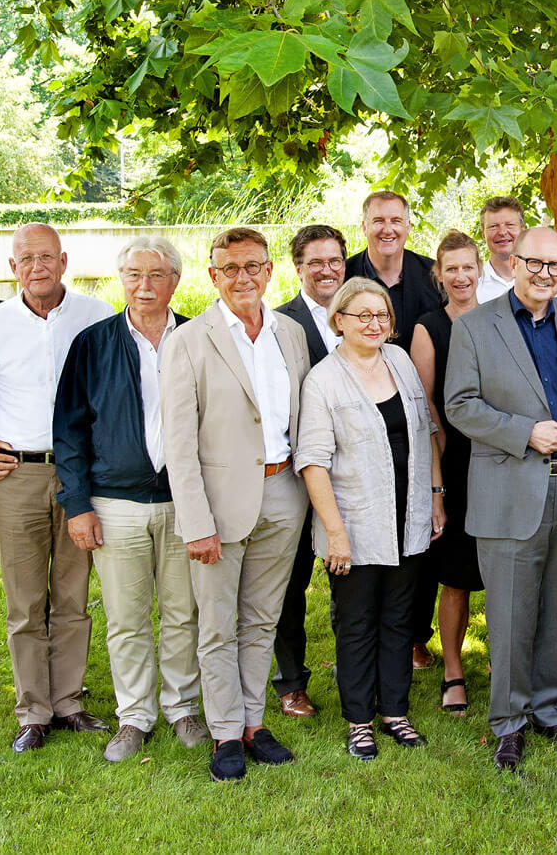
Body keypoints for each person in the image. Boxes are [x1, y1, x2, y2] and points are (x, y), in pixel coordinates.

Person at [445, 227, 557, 770]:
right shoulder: (475, 326)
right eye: (534, 263)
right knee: (511, 614)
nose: (545, 274)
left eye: (554, 265)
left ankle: (550, 711)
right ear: (513, 262)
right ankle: (509, 724)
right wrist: (525, 432)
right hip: (510, 488)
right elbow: (459, 404)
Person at [0, 222, 114, 753]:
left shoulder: (96, 316)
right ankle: (33, 711)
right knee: (25, 601)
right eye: (26, 259)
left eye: (46, 257)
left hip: (79, 475)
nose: (37, 267)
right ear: (12, 266)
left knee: (72, 594)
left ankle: (68, 701)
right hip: (14, 476)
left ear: (63, 262)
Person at [161, 227, 312, 781]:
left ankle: (254, 721)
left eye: (253, 266)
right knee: (217, 624)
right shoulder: (188, 340)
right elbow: (178, 443)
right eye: (231, 269)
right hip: (219, 505)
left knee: (262, 618)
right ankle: (225, 730)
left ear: (271, 271)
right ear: (213, 275)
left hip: (283, 492)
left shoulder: (290, 334)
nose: (243, 277)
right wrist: (195, 521)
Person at [53, 236, 210, 762]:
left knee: (182, 610)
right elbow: (70, 431)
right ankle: (134, 715)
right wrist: (77, 504)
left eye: (156, 275)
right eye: (134, 275)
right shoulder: (93, 344)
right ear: (121, 280)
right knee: (126, 616)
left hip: (184, 502)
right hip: (113, 503)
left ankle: (183, 706)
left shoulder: (198, 338)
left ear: (175, 281)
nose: (145, 286)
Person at [297, 278, 446, 759]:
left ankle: (395, 712)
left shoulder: (400, 362)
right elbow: (313, 462)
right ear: (337, 320)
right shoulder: (323, 380)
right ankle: (360, 719)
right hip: (355, 526)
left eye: (381, 315)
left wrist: (436, 496)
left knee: (400, 619)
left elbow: (424, 432)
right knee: (358, 622)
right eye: (362, 315)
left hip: (409, 517)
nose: (374, 324)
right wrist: (335, 533)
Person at [345, 190, 445, 668]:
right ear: (364, 225)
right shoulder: (345, 275)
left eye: (396, 220)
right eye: (378, 220)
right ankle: (359, 626)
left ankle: (414, 633)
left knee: (421, 529)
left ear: (409, 225)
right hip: (359, 416)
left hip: (420, 413)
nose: (388, 228)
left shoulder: (431, 276)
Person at [270, 224, 347, 720]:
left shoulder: (361, 312)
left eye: (334, 260)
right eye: (315, 261)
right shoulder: (278, 325)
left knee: (351, 577)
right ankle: (291, 680)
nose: (326, 270)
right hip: (298, 474)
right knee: (291, 582)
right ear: (298, 267)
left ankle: (353, 669)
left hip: (351, 474)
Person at [410, 232, 487, 716]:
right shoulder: (428, 327)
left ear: (481, 271)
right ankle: (453, 670)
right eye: (451, 269)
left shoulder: (501, 318)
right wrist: (438, 482)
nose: (460, 276)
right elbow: (426, 407)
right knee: (456, 577)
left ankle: (504, 662)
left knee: (505, 572)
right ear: (438, 275)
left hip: (501, 459)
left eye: (468, 267)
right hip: (454, 463)